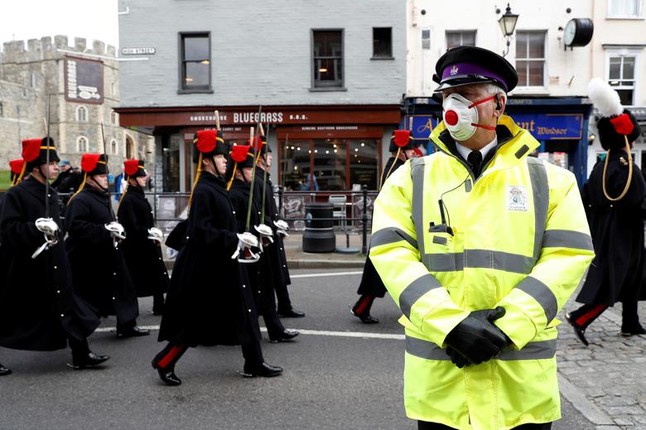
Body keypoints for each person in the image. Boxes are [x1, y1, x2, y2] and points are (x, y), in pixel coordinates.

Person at [368, 46, 595, 429]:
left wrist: (510, 326)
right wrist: (451, 325)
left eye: (468, 94)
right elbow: (392, 254)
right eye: (446, 95)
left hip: (520, 386)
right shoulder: (410, 178)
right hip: (442, 389)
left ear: (498, 104)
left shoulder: (552, 182)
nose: (454, 105)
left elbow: (567, 256)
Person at [152, 130, 282, 386]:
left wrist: (250, 236)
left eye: (225, 157)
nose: (225, 160)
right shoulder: (203, 190)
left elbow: (228, 223)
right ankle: (165, 361)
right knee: (196, 318)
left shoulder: (217, 186)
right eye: (220, 156)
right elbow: (202, 230)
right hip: (207, 266)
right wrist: (234, 239)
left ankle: (253, 362)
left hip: (226, 259)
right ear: (207, 160)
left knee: (246, 310)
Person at [0, 138, 109, 374]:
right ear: (36, 166)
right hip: (30, 265)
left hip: (56, 261)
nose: (56, 166)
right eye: (50, 163)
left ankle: (81, 354)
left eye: (57, 162)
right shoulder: (16, 194)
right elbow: (8, 230)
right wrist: (34, 227)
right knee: (11, 312)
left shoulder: (51, 192)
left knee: (68, 306)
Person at [565, 78, 646, 346]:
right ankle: (580, 317)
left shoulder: (602, 165)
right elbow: (638, 202)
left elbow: (587, 198)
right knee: (616, 279)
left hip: (605, 230)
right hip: (625, 233)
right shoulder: (627, 166)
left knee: (632, 278)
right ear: (628, 137)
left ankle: (630, 323)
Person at [64, 153, 150, 339]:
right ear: (90, 178)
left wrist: (115, 231)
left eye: (106, 176)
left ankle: (126, 324)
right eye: (102, 176)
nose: (106, 179)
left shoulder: (101, 196)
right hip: (89, 255)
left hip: (109, 251)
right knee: (88, 297)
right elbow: (75, 226)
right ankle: (80, 337)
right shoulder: (80, 200)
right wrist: (105, 230)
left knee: (125, 288)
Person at [226, 143, 299, 343]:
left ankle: (275, 329)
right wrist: (250, 232)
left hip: (258, 246)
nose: (252, 172)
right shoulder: (233, 193)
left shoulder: (249, 188)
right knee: (245, 296)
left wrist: (269, 229)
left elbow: (260, 214)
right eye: (248, 168)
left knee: (266, 289)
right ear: (239, 172)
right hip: (244, 249)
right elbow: (234, 223)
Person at [350, 129, 419, 324]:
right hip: (394, 224)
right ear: (401, 151)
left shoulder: (396, 165)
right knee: (388, 272)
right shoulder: (398, 168)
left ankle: (362, 307)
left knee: (388, 272)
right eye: (410, 149)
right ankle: (362, 308)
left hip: (392, 222)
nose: (413, 153)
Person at [254, 133, 305, 318]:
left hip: (274, 230)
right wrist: (272, 225)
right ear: (259, 159)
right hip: (267, 232)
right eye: (268, 156)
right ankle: (275, 307)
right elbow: (259, 210)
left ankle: (284, 305)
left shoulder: (264, 178)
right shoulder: (258, 181)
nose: (271, 158)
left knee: (278, 271)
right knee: (270, 274)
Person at [116, 159, 169, 316]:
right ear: (132, 180)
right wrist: (149, 233)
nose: (144, 178)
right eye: (140, 176)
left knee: (156, 275)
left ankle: (159, 304)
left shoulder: (138, 196)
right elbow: (131, 226)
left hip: (147, 243)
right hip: (137, 247)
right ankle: (128, 315)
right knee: (134, 281)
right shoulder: (128, 200)